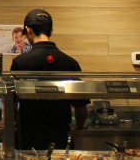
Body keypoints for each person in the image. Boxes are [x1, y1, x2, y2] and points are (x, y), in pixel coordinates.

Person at [10, 9, 88, 150]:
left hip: (29, 137)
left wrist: (9, 121)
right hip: (61, 137)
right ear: (51, 29)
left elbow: (12, 102)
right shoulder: (70, 62)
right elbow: (81, 107)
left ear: (28, 30)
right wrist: (80, 125)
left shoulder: (20, 62)